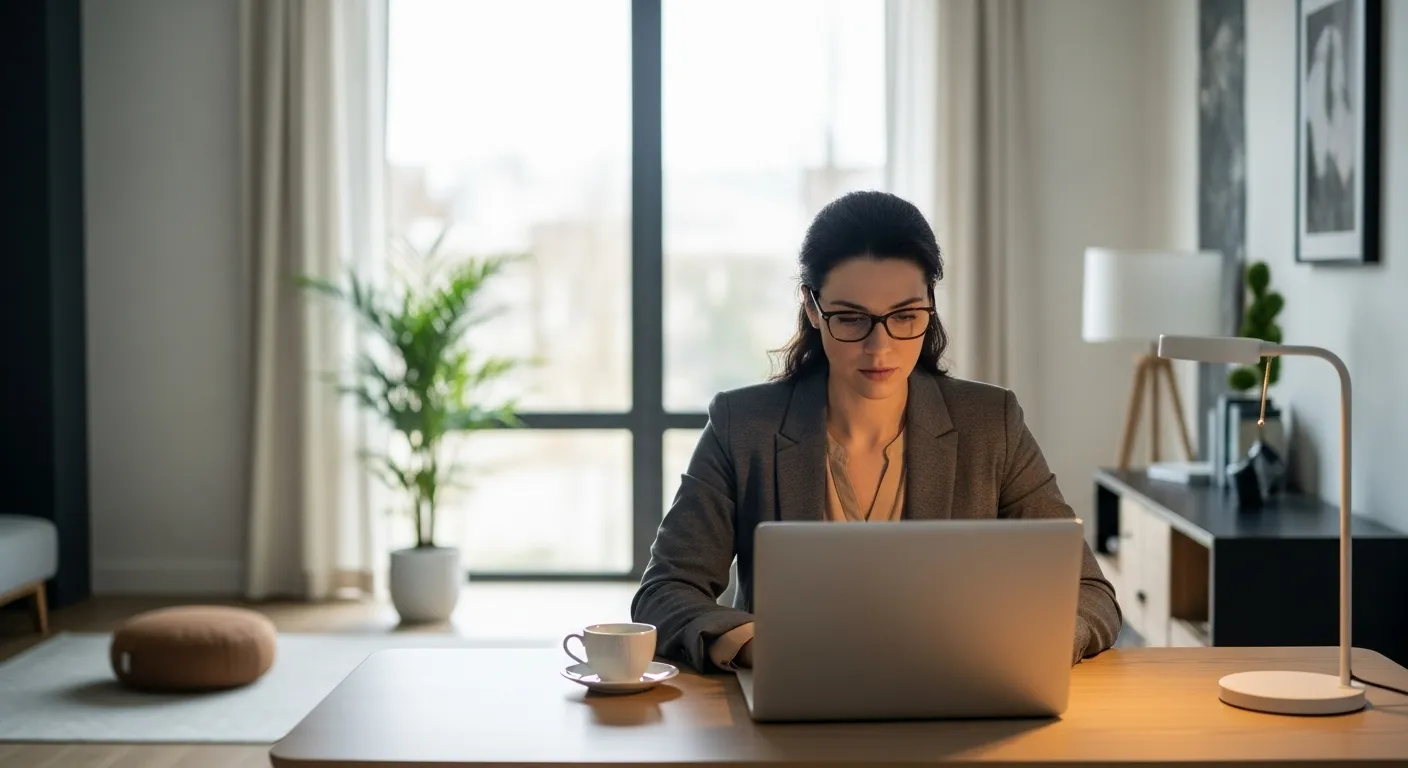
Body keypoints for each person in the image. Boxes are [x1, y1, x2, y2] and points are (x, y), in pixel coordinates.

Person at [631, 190, 1122, 674]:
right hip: (793, 709)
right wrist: (755, 647)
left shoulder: (991, 423)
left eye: (905, 316)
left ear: (930, 303)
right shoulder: (743, 427)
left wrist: (1030, 645)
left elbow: (1090, 594)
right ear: (811, 307)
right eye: (850, 318)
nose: (879, 346)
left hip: (959, 701)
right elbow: (665, 591)